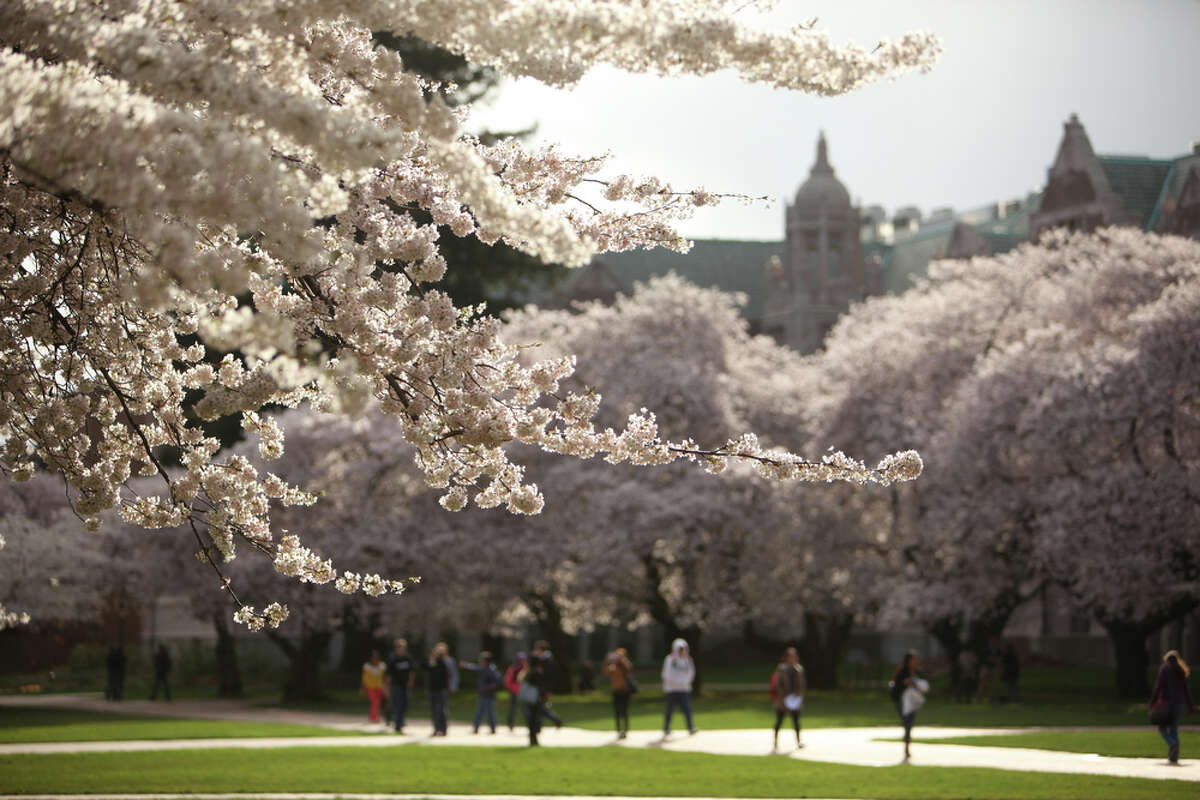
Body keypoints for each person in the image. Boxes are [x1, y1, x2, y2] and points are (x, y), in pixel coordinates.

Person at [1150, 649, 1195, 764]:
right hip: (1180, 704)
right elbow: (1186, 690)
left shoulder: (1164, 670)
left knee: (1162, 728)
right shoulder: (1180, 671)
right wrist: (1190, 707)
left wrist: (1153, 702)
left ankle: (1172, 744)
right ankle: (1174, 757)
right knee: (1174, 729)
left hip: (1167, 704)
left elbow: (1158, 687)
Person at [890, 651, 927, 761]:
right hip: (902, 701)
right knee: (907, 722)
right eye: (913, 660)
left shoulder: (916, 672)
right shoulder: (902, 671)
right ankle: (906, 745)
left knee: (910, 723)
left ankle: (907, 743)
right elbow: (897, 684)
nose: (915, 662)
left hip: (913, 702)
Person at [769, 647, 806, 750]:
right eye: (791, 656)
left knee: (796, 722)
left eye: (795, 656)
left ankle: (799, 741)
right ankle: (775, 742)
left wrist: (799, 696)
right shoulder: (781, 669)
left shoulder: (799, 669)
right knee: (779, 721)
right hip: (783, 700)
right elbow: (777, 685)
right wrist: (783, 697)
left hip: (795, 700)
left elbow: (802, 685)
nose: (793, 658)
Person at [661, 638, 697, 737]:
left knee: (687, 709)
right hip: (672, 689)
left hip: (684, 689)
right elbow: (666, 674)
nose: (681, 651)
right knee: (669, 710)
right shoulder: (670, 659)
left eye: (683, 649)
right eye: (679, 649)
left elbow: (691, 673)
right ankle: (666, 728)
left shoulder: (687, 660)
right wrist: (676, 682)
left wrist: (685, 682)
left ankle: (690, 727)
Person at [462, 650, 503, 734]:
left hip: (489, 695)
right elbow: (474, 668)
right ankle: (476, 728)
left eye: (481, 660)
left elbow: (498, 682)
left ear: (486, 661)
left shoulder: (492, 670)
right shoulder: (483, 668)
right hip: (482, 695)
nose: (480, 661)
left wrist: (488, 687)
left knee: (490, 712)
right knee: (479, 712)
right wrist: (466, 665)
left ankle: (492, 728)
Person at [385, 638, 416, 733]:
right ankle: (398, 724)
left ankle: (400, 721)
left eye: (402, 647)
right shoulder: (393, 658)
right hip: (396, 685)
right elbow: (388, 674)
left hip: (405, 685)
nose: (401, 649)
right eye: (399, 647)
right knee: (397, 704)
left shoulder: (408, 658)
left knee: (405, 704)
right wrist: (387, 686)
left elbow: (412, 671)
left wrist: (411, 681)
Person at [531, 640, 564, 729]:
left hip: (544, 688)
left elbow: (549, 676)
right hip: (542, 687)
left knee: (540, 708)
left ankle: (554, 721)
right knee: (540, 707)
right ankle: (543, 725)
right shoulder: (544, 659)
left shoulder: (546, 660)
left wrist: (549, 690)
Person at [603, 648, 635, 739]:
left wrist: (622, 659)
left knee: (625, 711)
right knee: (617, 711)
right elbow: (606, 672)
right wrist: (607, 661)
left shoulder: (624, 665)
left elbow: (629, 668)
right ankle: (618, 730)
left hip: (625, 691)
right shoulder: (613, 666)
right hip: (615, 691)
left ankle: (625, 730)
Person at [517, 651, 546, 746]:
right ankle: (534, 738)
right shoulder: (538, 673)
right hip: (536, 699)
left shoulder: (526, 673)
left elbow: (519, 680)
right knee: (536, 719)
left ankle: (532, 738)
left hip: (527, 699)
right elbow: (541, 686)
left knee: (530, 720)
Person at [424, 642, 452, 736]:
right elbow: (425, 667)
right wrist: (430, 659)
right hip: (432, 689)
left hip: (442, 689)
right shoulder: (432, 662)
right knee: (433, 710)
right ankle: (436, 728)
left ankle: (443, 729)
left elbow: (448, 674)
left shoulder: (445, 662)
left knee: (441, 710)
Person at [360, 649, 387, 723]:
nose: (375, 659)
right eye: (373, 657)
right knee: (374, 702)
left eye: (376, 657)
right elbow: (364, 677)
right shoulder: (367, 666)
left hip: (379, 686)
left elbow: (384, 677)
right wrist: (362, 687)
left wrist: (386, 687)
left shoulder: (382, 666)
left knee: (377, 702)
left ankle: (372, 717)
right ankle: (375, 717)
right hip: (370, 686)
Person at [504, 652, 527, 732]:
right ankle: (510, 724)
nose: (522, 661)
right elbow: (507, 681)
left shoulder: (526, 668)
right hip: (514, 692)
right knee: (512, 709)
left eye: (523, 659)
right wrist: (513, 689)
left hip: (524, 692)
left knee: (526, 709)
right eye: (521, 659)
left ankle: (529, 724)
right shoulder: (513, 668)